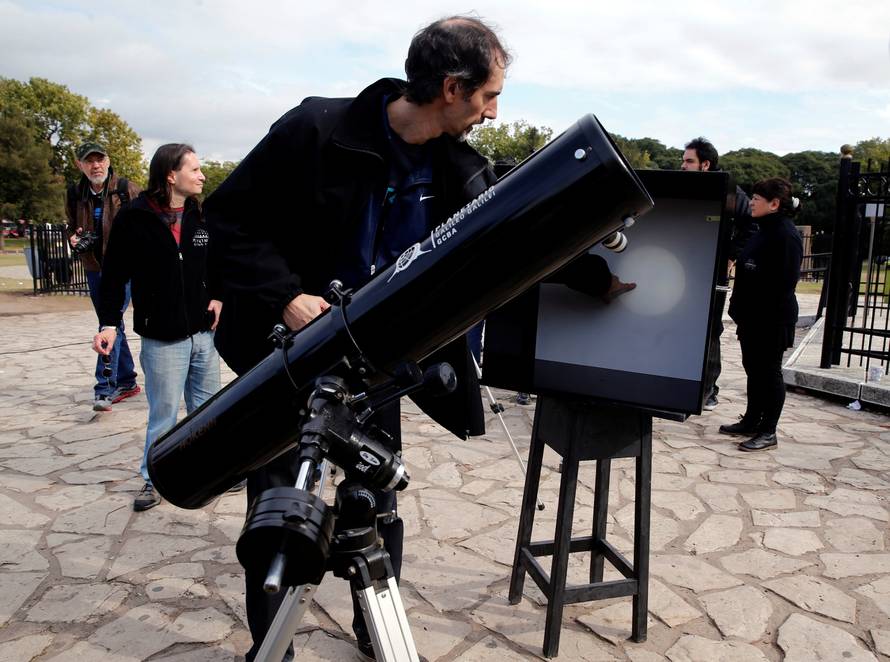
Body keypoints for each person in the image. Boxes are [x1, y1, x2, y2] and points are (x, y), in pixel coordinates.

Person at [205, 16, 509, 662]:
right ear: (452, 87)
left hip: (375, 367)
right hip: (293, 362)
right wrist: (286, 296)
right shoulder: (317, 129)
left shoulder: (459, 168)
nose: (492, 112)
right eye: (489, 96)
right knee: (281, 508)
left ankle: (376, 624)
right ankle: (273, 646)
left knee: (377, 497)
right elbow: (228, 218)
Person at [91, 144, 223, 512]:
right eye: (194, 170)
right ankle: (154, 479)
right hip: (162, 338)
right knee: (164, 415)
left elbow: (216, 264)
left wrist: (219, 296)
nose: (202, 176)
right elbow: (114, 276)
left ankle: (211, 472)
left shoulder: (200, 214)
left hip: (204, 334)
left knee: (208, 410)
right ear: (170, 175)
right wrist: (108, 324)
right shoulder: (134, 218)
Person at [720, 178, 802, 451]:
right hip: (752, 318)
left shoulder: (786, 235)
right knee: (753, 371)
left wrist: (759, 316)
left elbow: (784, 284)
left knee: (769, 373)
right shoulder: (763, 229)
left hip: (771, 320)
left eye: (757, 198)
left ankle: (769, 431)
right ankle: (752, 420)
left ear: (775, 204)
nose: (751, 202)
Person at [680, 137, 757, 411]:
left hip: (713, 275)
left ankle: (709, 390)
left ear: (705, 164)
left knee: (711, 329)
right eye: (684, 160)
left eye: (689, 161)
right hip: (685, 270)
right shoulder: (683, 188)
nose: (683, 166)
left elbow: (752, 224)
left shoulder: (729, 191)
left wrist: (731, 256)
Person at [67, 142, 142, 412]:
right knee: (113, 323)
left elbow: (146, 223)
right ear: (80, 165)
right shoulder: (76, 193)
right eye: (89, 161)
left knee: (108, 324)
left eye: (100, 159)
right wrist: (73, 238)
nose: (95, 165)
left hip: (123, 268)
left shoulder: (126, 189)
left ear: (108, 161)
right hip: (95, 267)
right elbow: (70, 225)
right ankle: (127, 380)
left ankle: (105, 387)